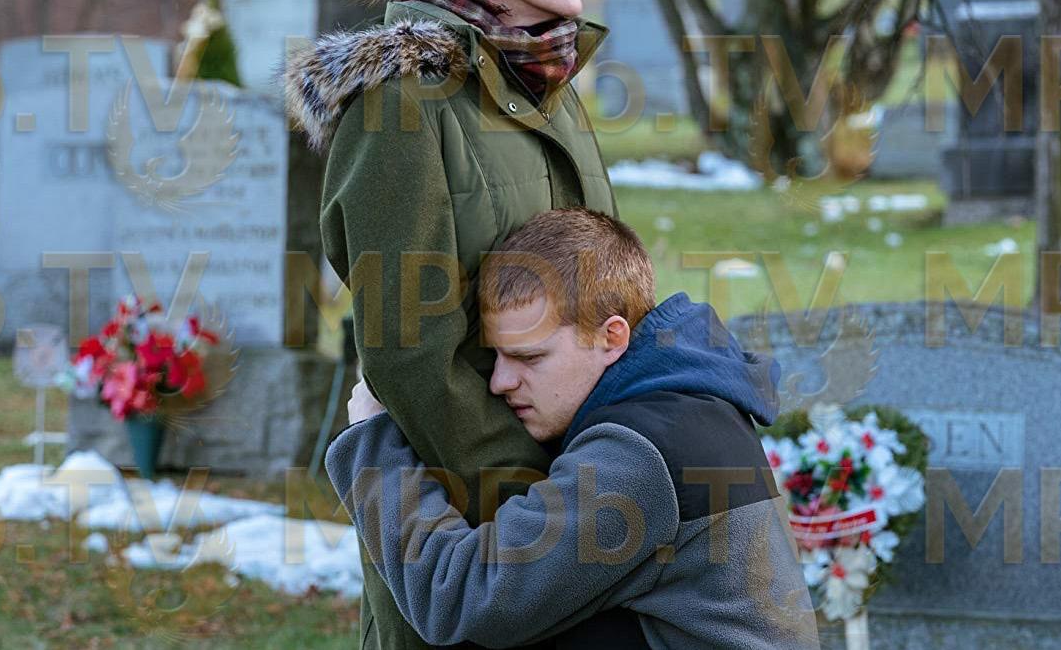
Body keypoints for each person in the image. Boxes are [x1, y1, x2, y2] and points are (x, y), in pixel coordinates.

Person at [282, 0, 616, 649]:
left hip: (575, 514)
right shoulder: (401, 104)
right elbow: (410, 350)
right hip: (468, 542)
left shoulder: (549, 87)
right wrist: (540, 515)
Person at [326, 208, 820, 649]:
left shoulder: (641, 455)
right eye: (496, 357)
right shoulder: (689, 404)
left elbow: (460, 599)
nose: (499, 381)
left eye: (529, 357)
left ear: (611, 337)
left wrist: (373, 444)